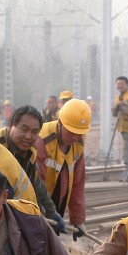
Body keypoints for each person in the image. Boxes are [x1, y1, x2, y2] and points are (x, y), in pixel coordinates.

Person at [0, 106, 63, 227]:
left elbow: (37, 184)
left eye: (34, 132)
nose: (28, 136)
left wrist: (51, 212)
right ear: (11, 125)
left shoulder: (31, 151)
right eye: (24, 129)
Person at [39, 98, 92, 238]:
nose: (75, 137)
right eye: (72, 132)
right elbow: (34, 183)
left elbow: (77, 184)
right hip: (38, 205)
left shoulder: (78, 145)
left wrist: (78, 220)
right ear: (61, 123)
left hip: (57, 204)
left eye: (79, 133)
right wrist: (41, 213)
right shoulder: (42, 140)